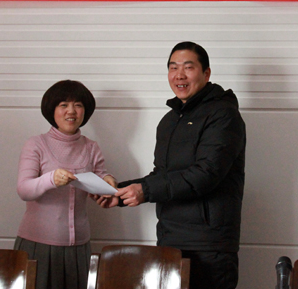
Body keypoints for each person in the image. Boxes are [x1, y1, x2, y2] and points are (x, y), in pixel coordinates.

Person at [98, 41, 246, 289]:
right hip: (169, 240)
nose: (179, 75)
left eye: (188, 67)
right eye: (173, 67)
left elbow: (206, 174)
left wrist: (145, 190)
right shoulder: (170, 120)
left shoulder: (223, 115)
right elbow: (162, 175)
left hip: (209, 246)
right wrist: (119, 192)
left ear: (206, 73)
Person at [15, 80, 117, 289]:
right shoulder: (36, 144)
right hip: (38, 245)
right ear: (51, 110)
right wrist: (51, 179)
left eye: (78, 105)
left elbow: (101, 176)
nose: (71, 111)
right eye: (63, 105)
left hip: (79, 247)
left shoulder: (91, 147)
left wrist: (108, 182)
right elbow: (24, 189)